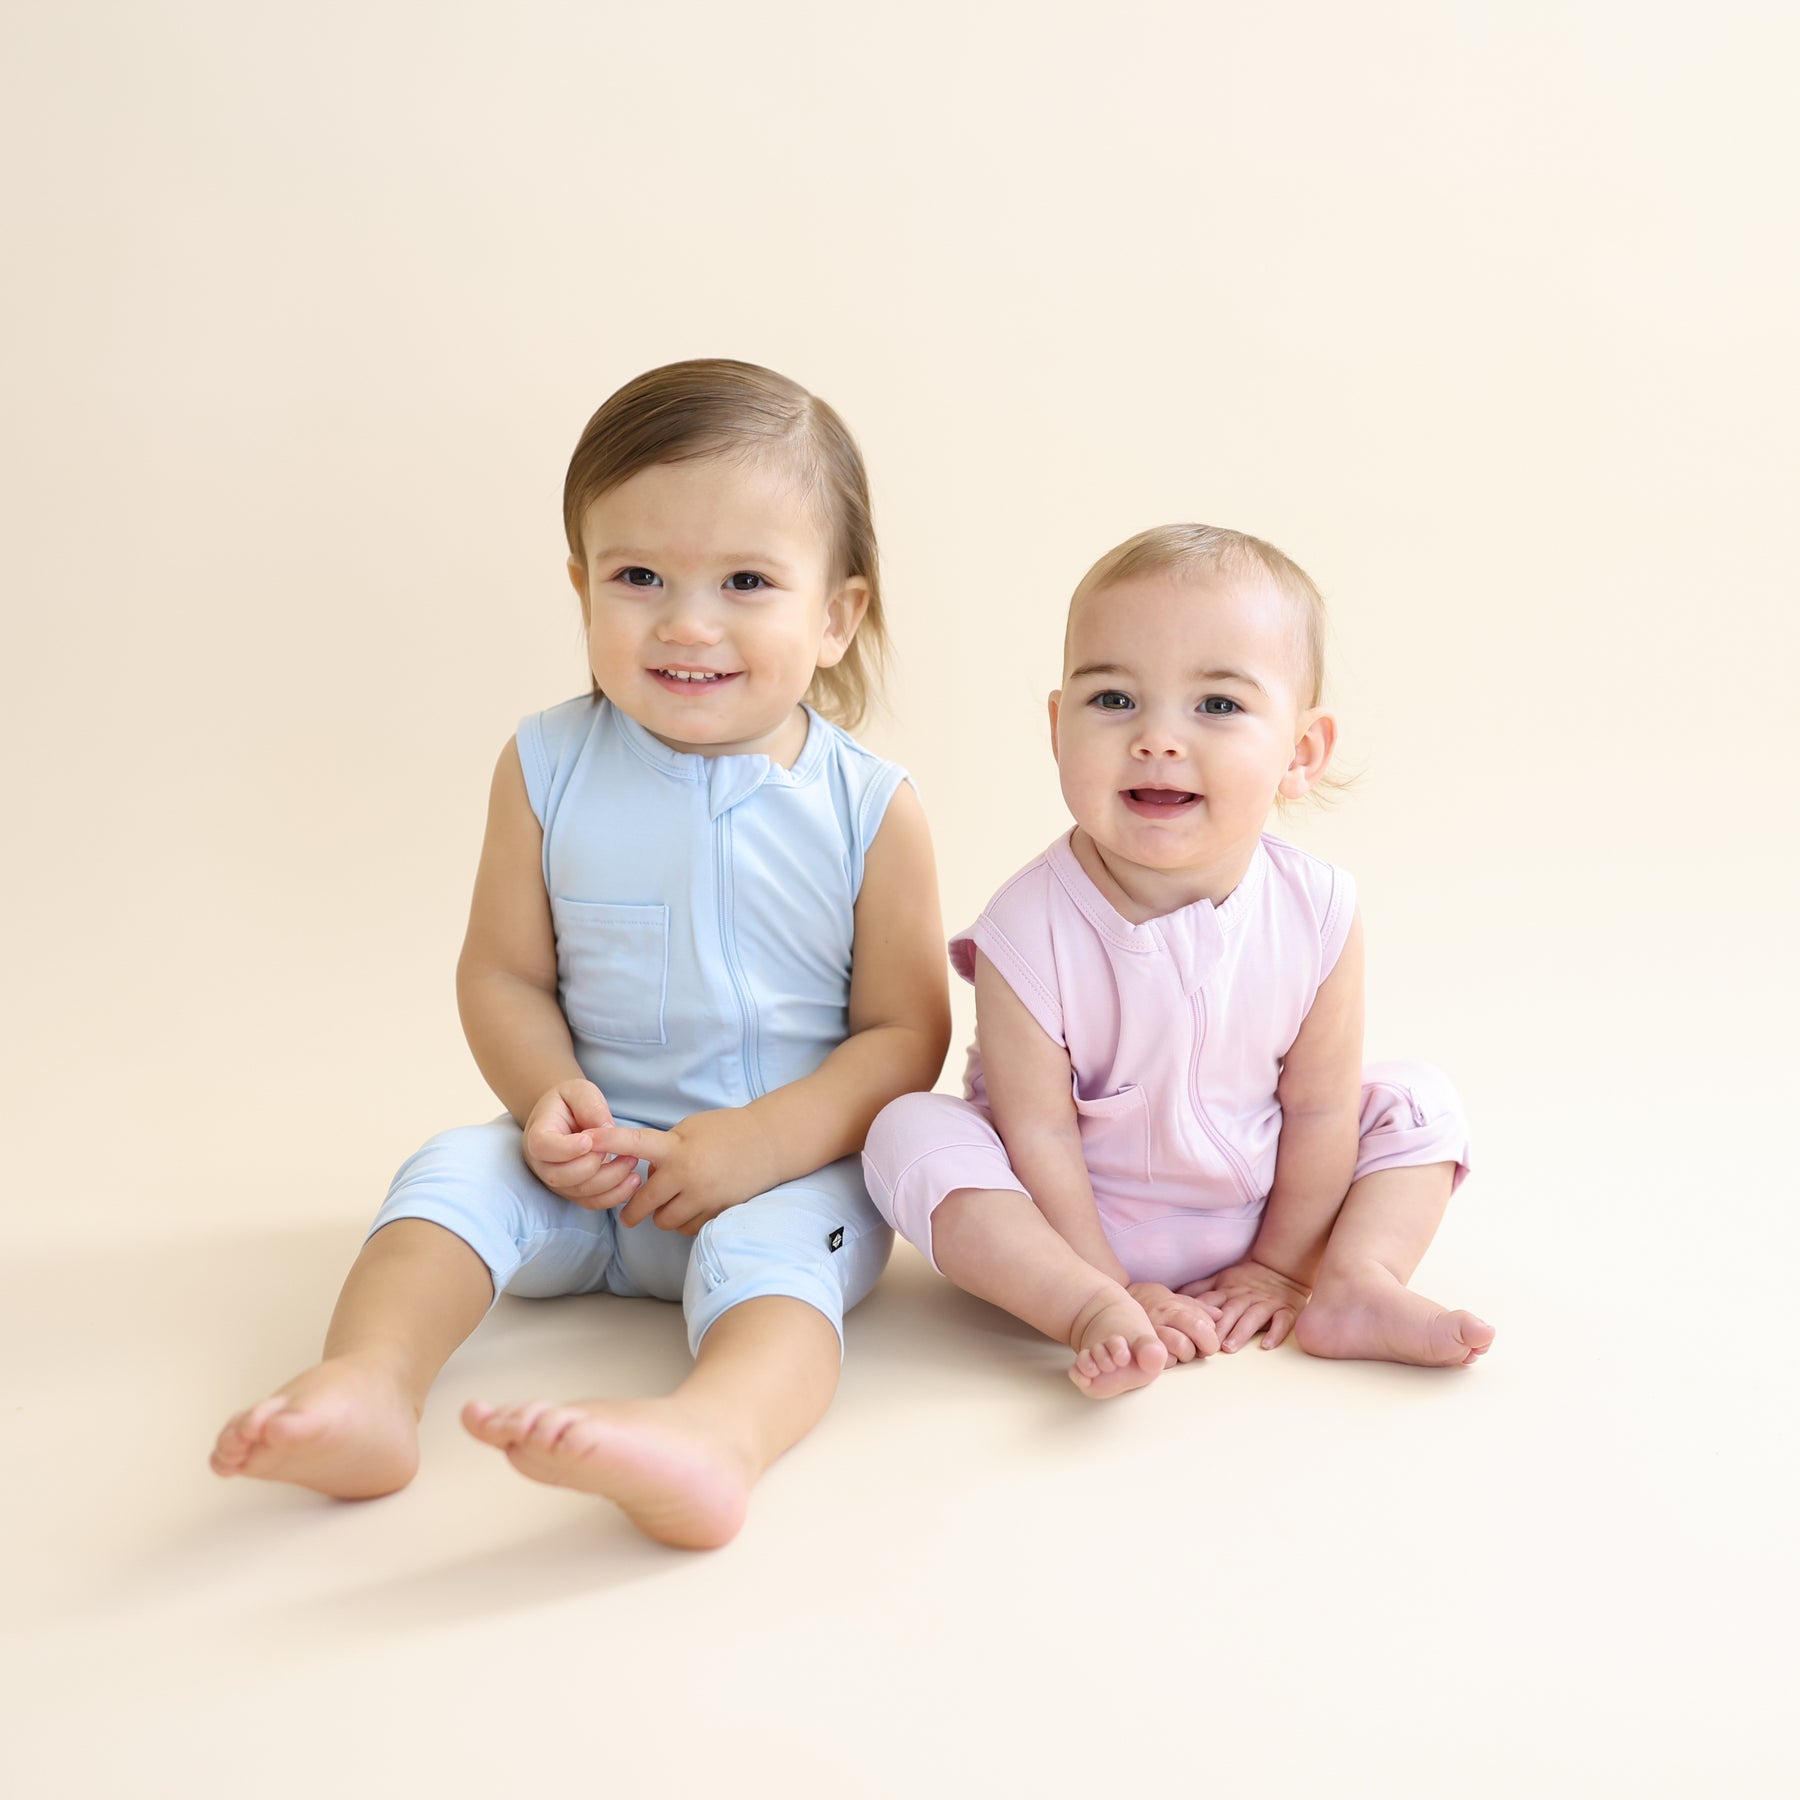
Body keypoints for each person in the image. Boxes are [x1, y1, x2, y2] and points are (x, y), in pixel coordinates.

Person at [211, 359, 951, 1543]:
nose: (686, 621)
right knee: (450, 1174)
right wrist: (547, 1103)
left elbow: (907, 1033)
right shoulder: (546, 766)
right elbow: (504, 973)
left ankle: (714, 1437)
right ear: (581, 586)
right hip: (589, 1170)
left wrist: (758, 1146)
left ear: (836, 615)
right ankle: (368, 1383)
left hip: (780, 1175)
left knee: (780, 1272)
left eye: (747, 581)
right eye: (638, 575)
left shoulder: (869, 809)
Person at [862, 524, 1492, 1398]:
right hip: (1070, 1223)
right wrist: (1104, 1277)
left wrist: (1278, 1265)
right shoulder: (1025, 926)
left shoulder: (1318, 908)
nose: (1157, 738)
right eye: (1114, 700)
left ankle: (1352, 1283)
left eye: (1219, 706)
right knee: (907, 1132)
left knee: (1419, 1098)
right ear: (1057, 727)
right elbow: (1036, 1132)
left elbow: (1317, 1109)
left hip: (1272, 1206)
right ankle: (1088, 1310)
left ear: (1301, 753)